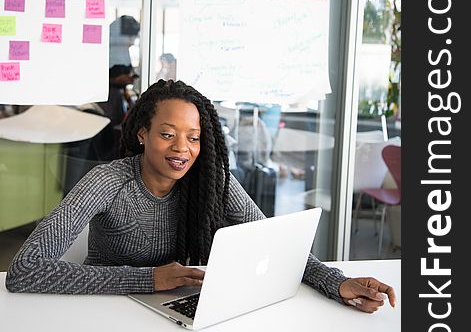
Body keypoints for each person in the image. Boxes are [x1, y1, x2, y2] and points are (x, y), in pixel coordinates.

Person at [5, 79, 396, 313]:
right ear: (142, 132)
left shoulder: (212, 182)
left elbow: (275, 245)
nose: (182, 149)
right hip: (102, 311)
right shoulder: (108, 182)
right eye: (167, 134)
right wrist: (149, 279)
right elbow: (25, 271)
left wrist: (335, 282)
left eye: (193, 137)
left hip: (174, 310)